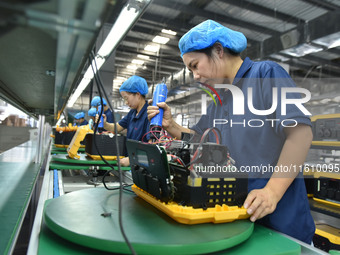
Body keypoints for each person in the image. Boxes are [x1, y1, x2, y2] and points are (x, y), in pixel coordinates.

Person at [147, 20, 315, 244]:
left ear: (218, 50)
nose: (195, 76)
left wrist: (272, 192)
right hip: (238, 221)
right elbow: (200, 139)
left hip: (281, 227)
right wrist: (172, 126)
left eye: (195, 65)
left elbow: (301, 134)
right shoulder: (220, 100)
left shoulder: (265, 74)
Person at [101, 75, 150, 166]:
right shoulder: (132, 113)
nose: (126, 102)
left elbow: (151, 147)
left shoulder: (149, 114)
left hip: (142, 165)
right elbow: (118, 127)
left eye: (126, 98)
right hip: (130, 162)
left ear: (138, 95)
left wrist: (133, 159)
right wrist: (105, 124)